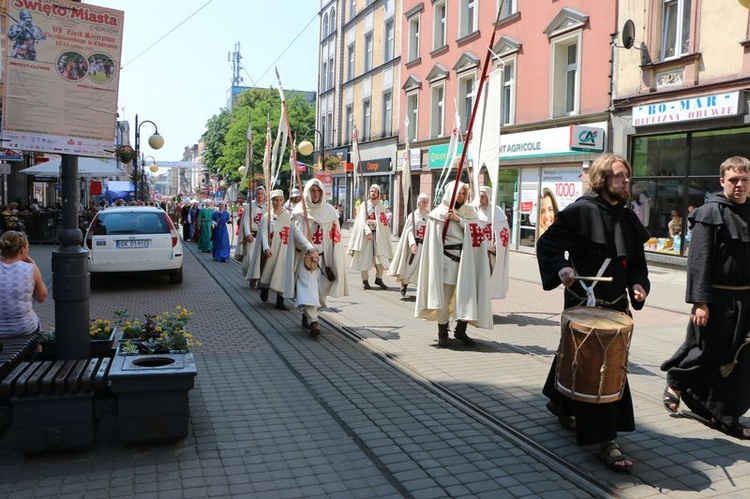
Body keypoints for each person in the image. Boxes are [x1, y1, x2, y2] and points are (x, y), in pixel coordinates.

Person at [537, 153, 650, 473]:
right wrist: (561, 267)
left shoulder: (629, 219)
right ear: (603, 180)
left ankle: (558, 400)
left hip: (615, 304)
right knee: (599, 369)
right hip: (583, 302)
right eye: (619, 177)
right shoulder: (579, 212)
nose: (625, 182)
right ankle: (606, 440)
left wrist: (640, 286)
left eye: (627, 176)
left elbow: (638, 266)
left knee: (579, 357)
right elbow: (548, 247)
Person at [661, 156, 750, 440]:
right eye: (733, 180)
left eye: (744, 180)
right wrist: (700, 301)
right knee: (707, 350)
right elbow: (698, 262)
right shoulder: (709, 213)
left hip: (746, 298)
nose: (739, 185)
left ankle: (723, 411)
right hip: (716, 299)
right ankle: (677, 378)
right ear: (722, 181)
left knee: (737, 355)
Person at [415, 180, 492, 348]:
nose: (461, 196)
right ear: (450, 193)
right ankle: (443, 335)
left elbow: (477, 234)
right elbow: (433, 243)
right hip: (447, 262)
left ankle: (460, 330)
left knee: (467, 296)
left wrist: (459, 220)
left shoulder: (469, 212)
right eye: (458, 193)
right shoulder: (438, 214)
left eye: (464, 193)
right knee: (445, 298)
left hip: (466, 262)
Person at [291, 179, 349, 337]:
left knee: (319, 291)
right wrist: (309, 248)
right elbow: (296, 234)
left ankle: (308, 313)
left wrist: (334, 258)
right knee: (307, 288)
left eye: (318, 191)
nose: (315, 194)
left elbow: (335, 237)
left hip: (323, 258)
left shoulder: (329, 211)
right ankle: (314, 321)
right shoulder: (299, 211)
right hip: (307, 259)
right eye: (312, 191)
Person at [247, 190, 315, 311]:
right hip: (272, 249)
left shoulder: (288, 216)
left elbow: (297, 233)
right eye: (275, 200)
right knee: (268, 271)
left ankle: (280, 300)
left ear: (283, 200)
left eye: (280, 200)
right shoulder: (266, 217)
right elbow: (263, 234)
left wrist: (309, 247)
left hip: (285, 250)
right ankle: (265, 288)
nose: (278, 202)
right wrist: (266, 247)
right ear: (271, 201)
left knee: (283, 274)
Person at [0, 230, 47, 337]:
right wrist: (33, 265)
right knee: (38, 336)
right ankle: (37, 351)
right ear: (22, 249)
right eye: (27, 247)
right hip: (24, 328)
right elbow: (42, 297)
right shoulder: (30, 268)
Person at [347, 184, 393, 290]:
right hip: (366, 235)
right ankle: (365, 281)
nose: (373, 193)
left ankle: (379, 278)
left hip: (378, 235)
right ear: (369, 193)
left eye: (375, 191)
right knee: (365, 258)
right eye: (371, 191)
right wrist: (367, 231)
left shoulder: (381, 206)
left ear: (378, 194)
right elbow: (361, 221)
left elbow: (383, 222)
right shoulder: (364, 205)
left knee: (381, 258)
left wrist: (374, 222)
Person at [388, 193, 430, 297]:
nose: (424, 204)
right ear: (418, 203)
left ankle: (421, 290)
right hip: (415, 245)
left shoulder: (429, 216)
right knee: (410, 267)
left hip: (425, 246)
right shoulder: (413, 216)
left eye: (426, 202)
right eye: (422, 202)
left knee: (422, 268)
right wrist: (412, 244)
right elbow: (409, 231)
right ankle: (404, 283)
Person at [477, 186, 511, 300]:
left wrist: (498, 245)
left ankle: (484, 303)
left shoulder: (497, 212)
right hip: (477, 252)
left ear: (488, 197)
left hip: (491, 253)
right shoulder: (473, 210)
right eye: (479, 196)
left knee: (488, 278)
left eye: (482, 196)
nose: (480, 199)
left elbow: (504, 232)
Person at [235, 186, 267, 282]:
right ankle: (252, 278)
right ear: (255, 195)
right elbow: (245, 221)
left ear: (265, 195)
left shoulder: (268, 207)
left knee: (263, 259)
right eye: (258, 193)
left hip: (264, 236)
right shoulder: (250, 206)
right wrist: (248, 234)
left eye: (262, 193)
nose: (260, 195)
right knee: (250, 258)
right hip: (253, 236)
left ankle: (261, 280)